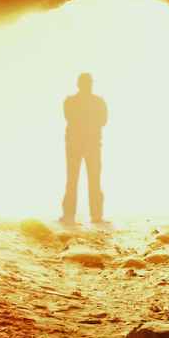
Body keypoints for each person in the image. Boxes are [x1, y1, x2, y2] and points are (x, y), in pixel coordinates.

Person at [61, 72, 109, 225]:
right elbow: (102, 120)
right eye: (86, 83)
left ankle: (90, 215)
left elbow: (103, 120)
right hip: (85, 144)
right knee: (78, 180)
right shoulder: (92, 102)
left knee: (86, 180)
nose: (88, 85)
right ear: (80, 84)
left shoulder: (73, 101)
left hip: (83, 144)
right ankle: (81, 215)